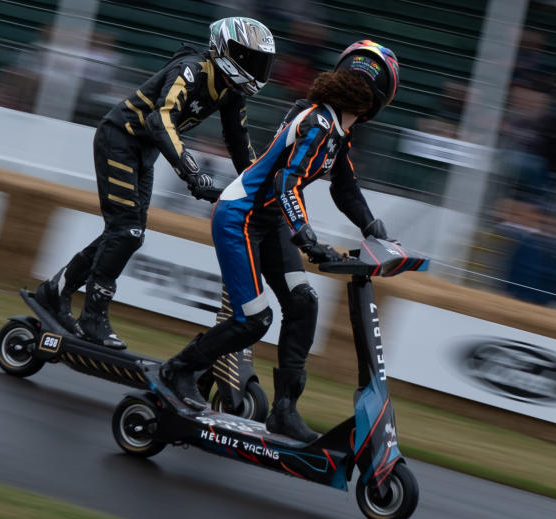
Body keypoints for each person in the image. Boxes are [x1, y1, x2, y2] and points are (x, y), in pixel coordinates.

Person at [159, 40, 400, 442]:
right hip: (241, 215)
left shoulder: (337, 131)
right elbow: (285, 181)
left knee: (303, 302)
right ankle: (178, 371)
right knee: (254, 319)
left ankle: (285, 411)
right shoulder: (319, 124)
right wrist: (306, 238)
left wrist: (372, 227)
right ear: (380, 100)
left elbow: (345, 190)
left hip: (268, 220)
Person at [35, 17, 275, 349]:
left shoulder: (231, 92)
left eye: (262, 62)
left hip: (142, 152)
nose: (258, 69)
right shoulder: (192, 69)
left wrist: (261, 187)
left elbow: (240, 144)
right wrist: (193, 173)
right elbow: (159, 119)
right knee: (126, 232)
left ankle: (56, 290)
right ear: (224, 50)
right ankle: (93, 316)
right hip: (119, 139)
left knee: (125, 234)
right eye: (251, 59)